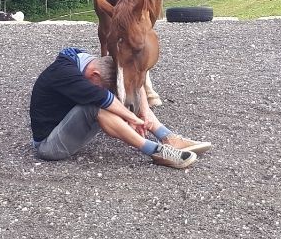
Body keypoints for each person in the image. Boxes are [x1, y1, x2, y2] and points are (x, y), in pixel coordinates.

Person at [29, 47, 212, 169]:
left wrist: (145, 113)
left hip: (66, 125)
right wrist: (134, 119)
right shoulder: (65, 74)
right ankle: (156, 152)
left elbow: (130, 80)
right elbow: (104, 98)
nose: (101, 89)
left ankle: (168, 137)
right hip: (50, 145)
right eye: (100, 85)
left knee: (123, 94)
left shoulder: (82, 62)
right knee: (97, 106)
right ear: (95, 74)